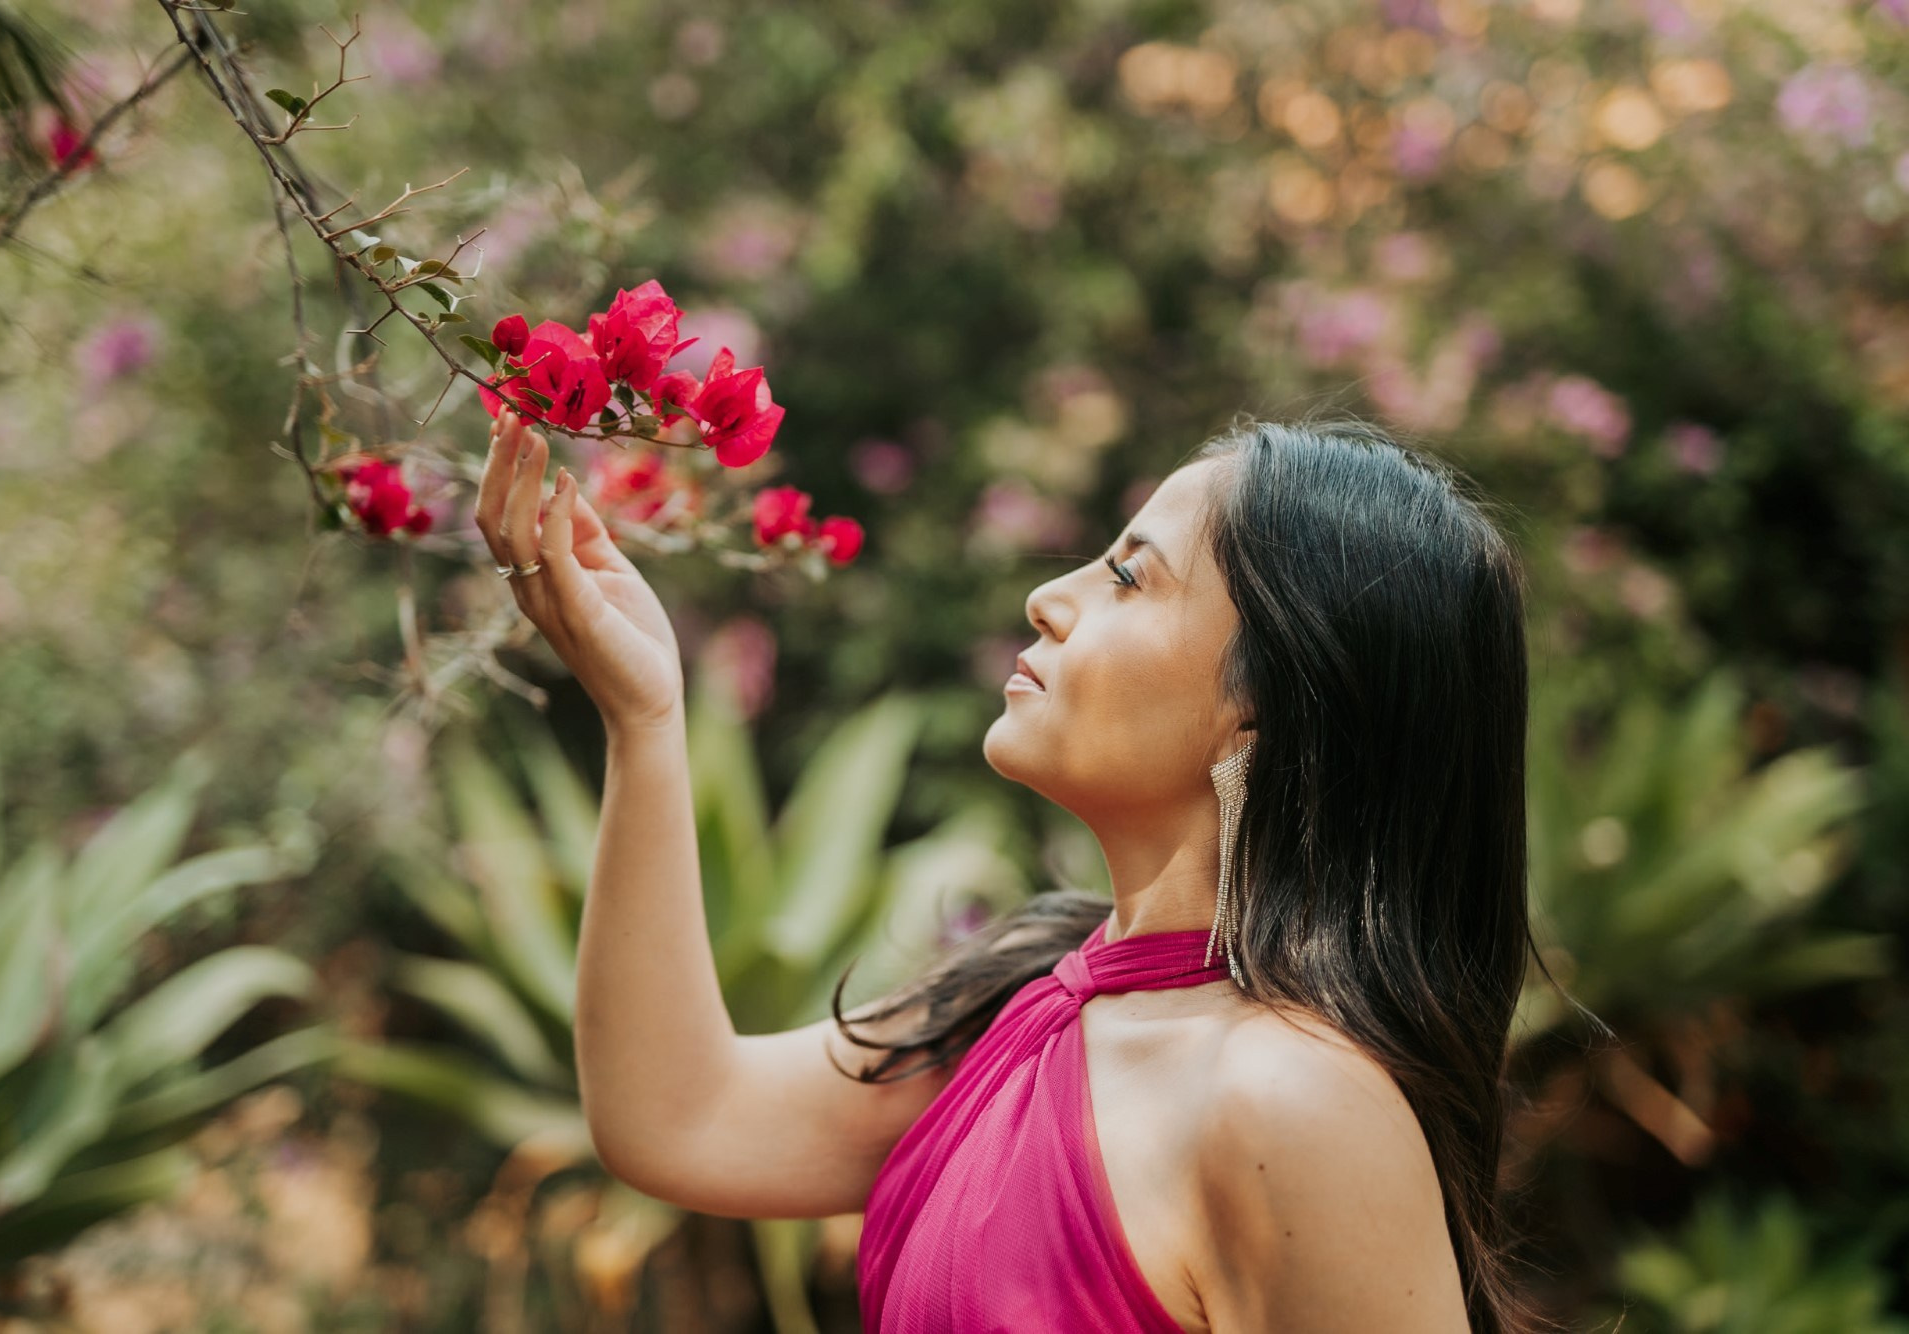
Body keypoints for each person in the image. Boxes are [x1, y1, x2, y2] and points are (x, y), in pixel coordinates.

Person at [474, 406, 1553, 1333]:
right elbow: (681, 1113)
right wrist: (645, 717)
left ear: (1259, 713)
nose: (1049, 593)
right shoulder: (1030, 1002)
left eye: (1130, 575)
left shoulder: (1292, 1105)